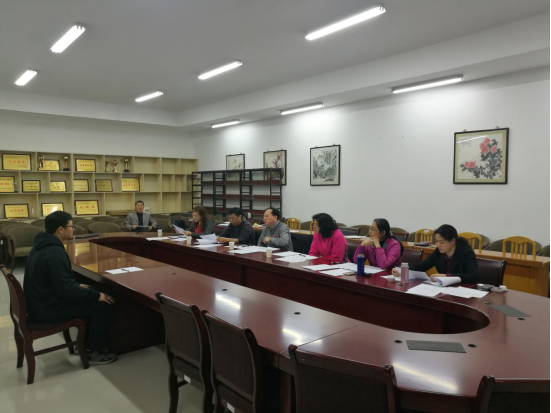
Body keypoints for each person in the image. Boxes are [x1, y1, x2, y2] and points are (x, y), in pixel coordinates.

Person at [23, 211, 117, 365]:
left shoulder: (41, 246)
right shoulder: (54, 252)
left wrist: (77, 286)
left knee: (90, 291)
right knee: (102, 305)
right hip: (48, 310)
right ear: (60, 229)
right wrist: (97, 296)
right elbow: (67, 291)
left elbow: (55, 281)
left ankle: (86, 345)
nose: (73, 229)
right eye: (71, 226)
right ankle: (93, 352)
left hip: (40, 303)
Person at [392, 224, 478, 283]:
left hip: (462, 290)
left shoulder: (467, 253)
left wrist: (446, 276)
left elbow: (472, 276)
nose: (438, 245)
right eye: (436, 241)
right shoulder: (438, 252)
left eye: (442, 242)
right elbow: (421, 266)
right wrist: (402, 270)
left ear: (453, 241)